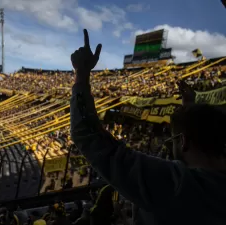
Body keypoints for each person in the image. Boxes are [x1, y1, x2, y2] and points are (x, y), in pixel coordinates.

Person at [70, 29, 226, 225]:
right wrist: (191, 112)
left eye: (173, 139)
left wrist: (81, 75)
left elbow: (87, 135)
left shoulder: (176, 185)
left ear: (184, 141)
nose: (170, 145)